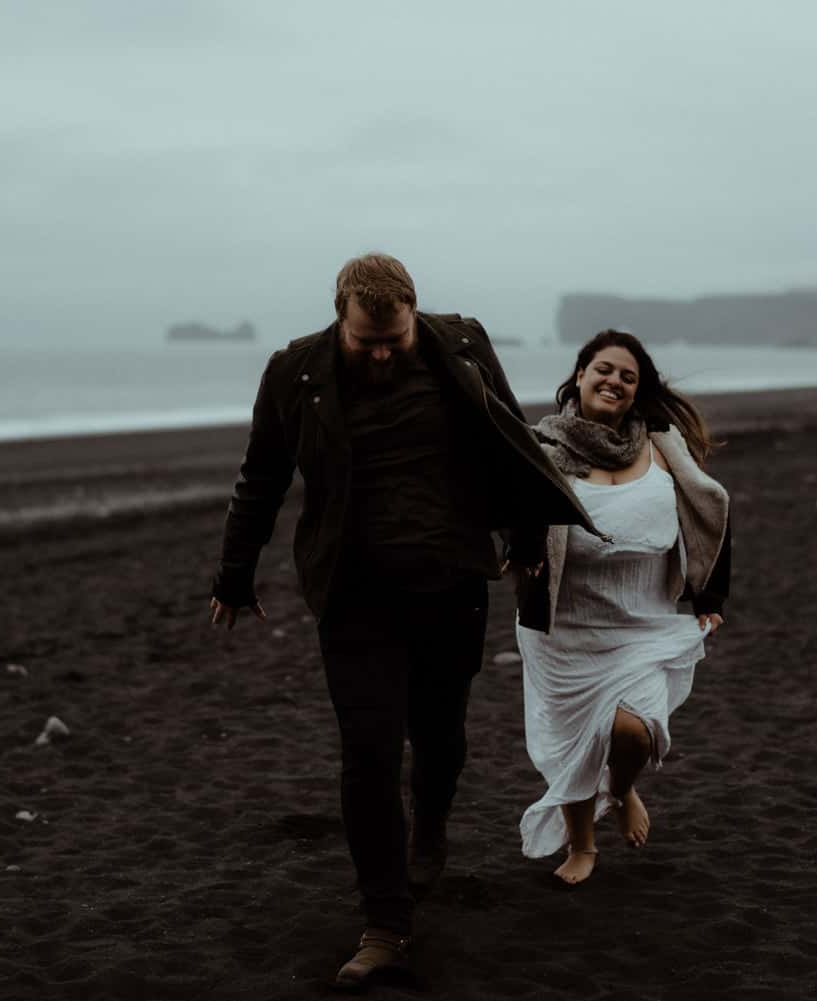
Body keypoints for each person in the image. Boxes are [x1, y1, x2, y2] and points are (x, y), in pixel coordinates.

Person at [208, 253, 594, 988]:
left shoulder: (464, 343)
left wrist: (524, 537)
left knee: (440, 737)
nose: (382, 353)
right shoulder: (295, 371)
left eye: (395, 339)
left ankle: (433, 823)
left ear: (415, 314)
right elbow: (261, 475)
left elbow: (508, 438)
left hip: (450, 581)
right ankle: (385, 923)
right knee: (369, 751)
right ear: (340, 318)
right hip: (353, 595)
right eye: (366, 341)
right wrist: (233, 572)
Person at [513, 329, 731, 884]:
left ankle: (624, 786)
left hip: (642, 618)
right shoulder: (539, 450)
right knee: (572, 739)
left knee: (632, 731)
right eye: (604, 369)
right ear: (581, 374)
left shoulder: (660, 446)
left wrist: (710, 594)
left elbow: (708, 510)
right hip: (565, 624)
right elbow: (505, 520)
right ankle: (581, 846)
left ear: (638, 391)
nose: (614, 381)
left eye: (628, 377)